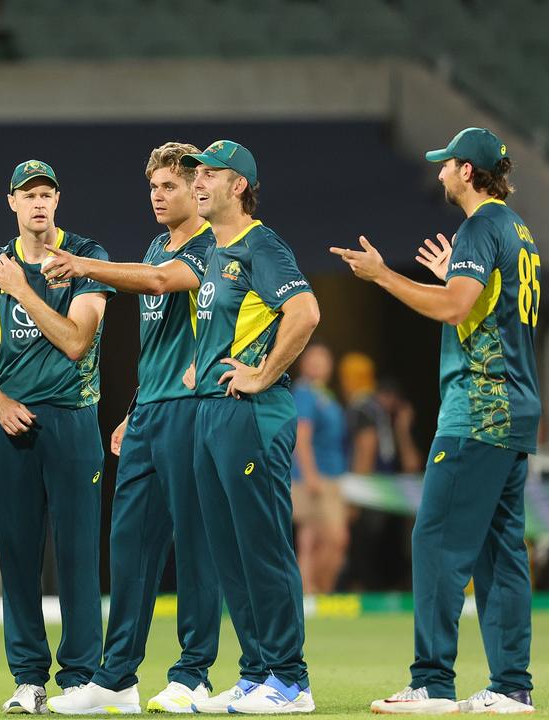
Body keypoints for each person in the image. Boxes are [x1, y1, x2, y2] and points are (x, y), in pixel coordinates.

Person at [334, 127, 541, 715]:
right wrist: (456, 275)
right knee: (500, 553)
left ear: (468, 172)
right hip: (516, 409)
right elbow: (479, 307)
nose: (441, 173)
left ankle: (431, 683)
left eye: (447, 165)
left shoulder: (480, 226)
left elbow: (453, 306)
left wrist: (383, 277)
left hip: (478, 409)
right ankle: (511, 687)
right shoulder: (517, 230)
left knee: (435, 541)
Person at [37, 142, 221, 714]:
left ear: (199, 188)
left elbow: (164, 283)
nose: (158, 197)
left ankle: (193, 673)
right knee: (129, 544)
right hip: (150, 414)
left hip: (194, 411)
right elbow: (158, 340)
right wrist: (134, 407)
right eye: (153, 187)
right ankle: (117, 676)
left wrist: (87, 265)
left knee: (193, 546)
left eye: (169, 186)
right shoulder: (154, 246)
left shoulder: (213, 246)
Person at [0, 160, 112, 713]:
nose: (38, 203)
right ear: (12, 202)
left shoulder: (84, 259)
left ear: (58, 200)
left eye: (46, 194)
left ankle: (82, 677)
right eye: (28, 195)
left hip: (71, 419)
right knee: (16, 556)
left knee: (77, 554)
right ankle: (28, 678)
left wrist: (24, 289)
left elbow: (76, 343)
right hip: (13, 425)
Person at [181, 140, 320, 713]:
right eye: (196, 174)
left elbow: (305, 311)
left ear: (239, 185)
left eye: (210, 175)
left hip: (253, 415)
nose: (197, 183)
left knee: (262, 549)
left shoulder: (262, 244)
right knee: (229, 552)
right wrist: (200, 365)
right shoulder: (214, 250)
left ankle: (291, 681)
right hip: (214, 412)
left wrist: (263, 375)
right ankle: (256, 670)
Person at [290, 342, 349, 595]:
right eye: (313, 359)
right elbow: (301, 436)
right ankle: (315, 592)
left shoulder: (325, 394)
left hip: (332, 476)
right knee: (333, 539)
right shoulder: (304, 394)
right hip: (315, 477)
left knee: (311, 539)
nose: (318, 364)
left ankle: (311, 593)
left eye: (323, 360)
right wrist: (310, 475)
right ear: (304, 363)